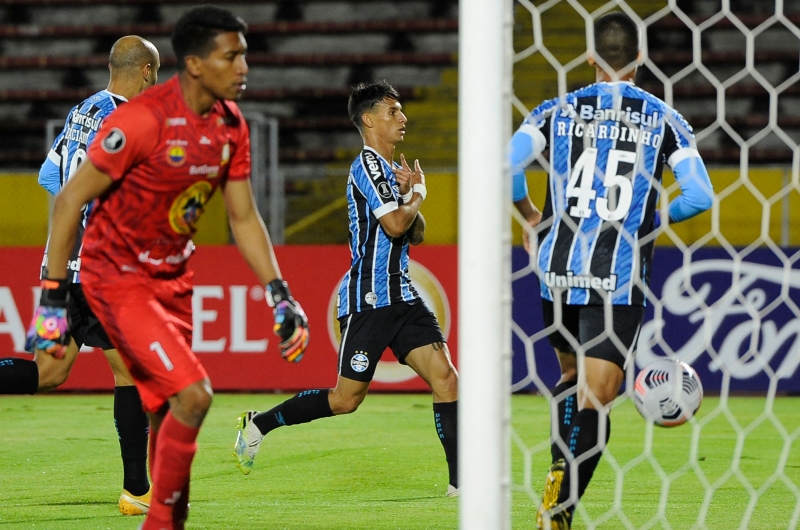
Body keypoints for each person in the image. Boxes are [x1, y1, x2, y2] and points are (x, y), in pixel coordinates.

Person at [23, 6, 309, 530]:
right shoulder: (140, 118)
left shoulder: (230, 126)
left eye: (245, 53)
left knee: (102, 385)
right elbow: (66, 200)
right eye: (233, 55)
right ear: (195, 64)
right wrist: (52, 301)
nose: (245, 66)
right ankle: (150, 506)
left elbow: (244, 217)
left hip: (168, 283)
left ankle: (151, 504)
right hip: (114, 278)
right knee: (188, 393)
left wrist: (280, 293)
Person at [509, 12, 714, 530]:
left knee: (570, 378)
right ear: (642, 58)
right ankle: (558, 508)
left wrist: (530, 215)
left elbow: (505, 164)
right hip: (616, 278)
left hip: (556, 270)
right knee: (597, 399)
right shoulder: (665, 118)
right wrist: (650, 222)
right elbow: (701, 195)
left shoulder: (555, 110)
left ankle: (556, 483)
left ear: (590, 59)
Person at [233, 80, 460, 496]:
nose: (403, 117)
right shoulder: (369, 165)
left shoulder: (389, 172)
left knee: (446, 379)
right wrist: (421, 195)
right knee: (345, 400)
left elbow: (415, 233)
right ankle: (259, 424)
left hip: (403, 296)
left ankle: (460, 485)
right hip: (369, 299)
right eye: (393, 111)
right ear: (369, 120)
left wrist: (409, 193)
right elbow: (395, 224)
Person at [0, 35, 160, 516]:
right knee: (130, 370)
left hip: (59, 266)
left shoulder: (80, 112)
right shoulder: (128, 122)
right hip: (98, 271)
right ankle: (137, 492)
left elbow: (52, 178)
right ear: (147, 72)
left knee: (49, 372)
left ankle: (138, 490)